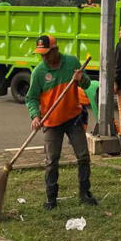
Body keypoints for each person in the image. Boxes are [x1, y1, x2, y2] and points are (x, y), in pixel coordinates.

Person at [25, 35, 96, 210]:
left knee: (83, 156)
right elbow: (31, 98)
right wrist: (35, 116)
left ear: (55, 50)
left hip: (73, 118)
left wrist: (81, 78)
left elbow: (86, 85)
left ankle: (85, 193)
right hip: (51, 122)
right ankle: (51, 198)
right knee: (51, 161)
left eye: (46, 54)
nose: (44, 57)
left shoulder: (71, 62)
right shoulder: (39, 72)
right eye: (41, 54)